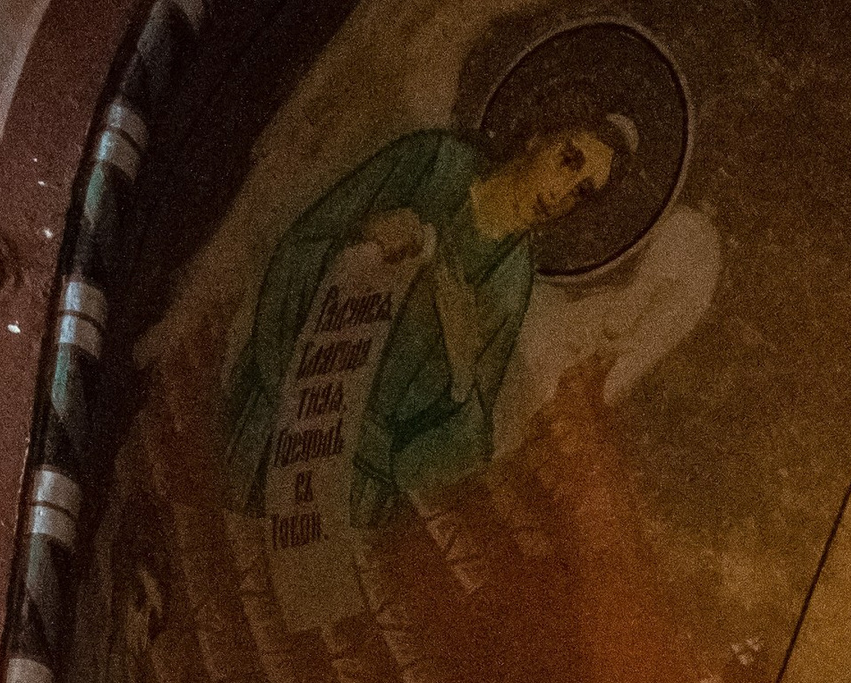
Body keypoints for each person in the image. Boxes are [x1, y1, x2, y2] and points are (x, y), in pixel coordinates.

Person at [222, 119, 631, 529]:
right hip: (278, 408)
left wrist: (461, 369)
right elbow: (305, 240)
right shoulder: (434, 162)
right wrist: (362, 233)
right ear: (537, 136)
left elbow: (470, 442)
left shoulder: (509, 280)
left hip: (349, 475)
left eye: (581, 191)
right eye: (568, 159)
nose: (560, 193)